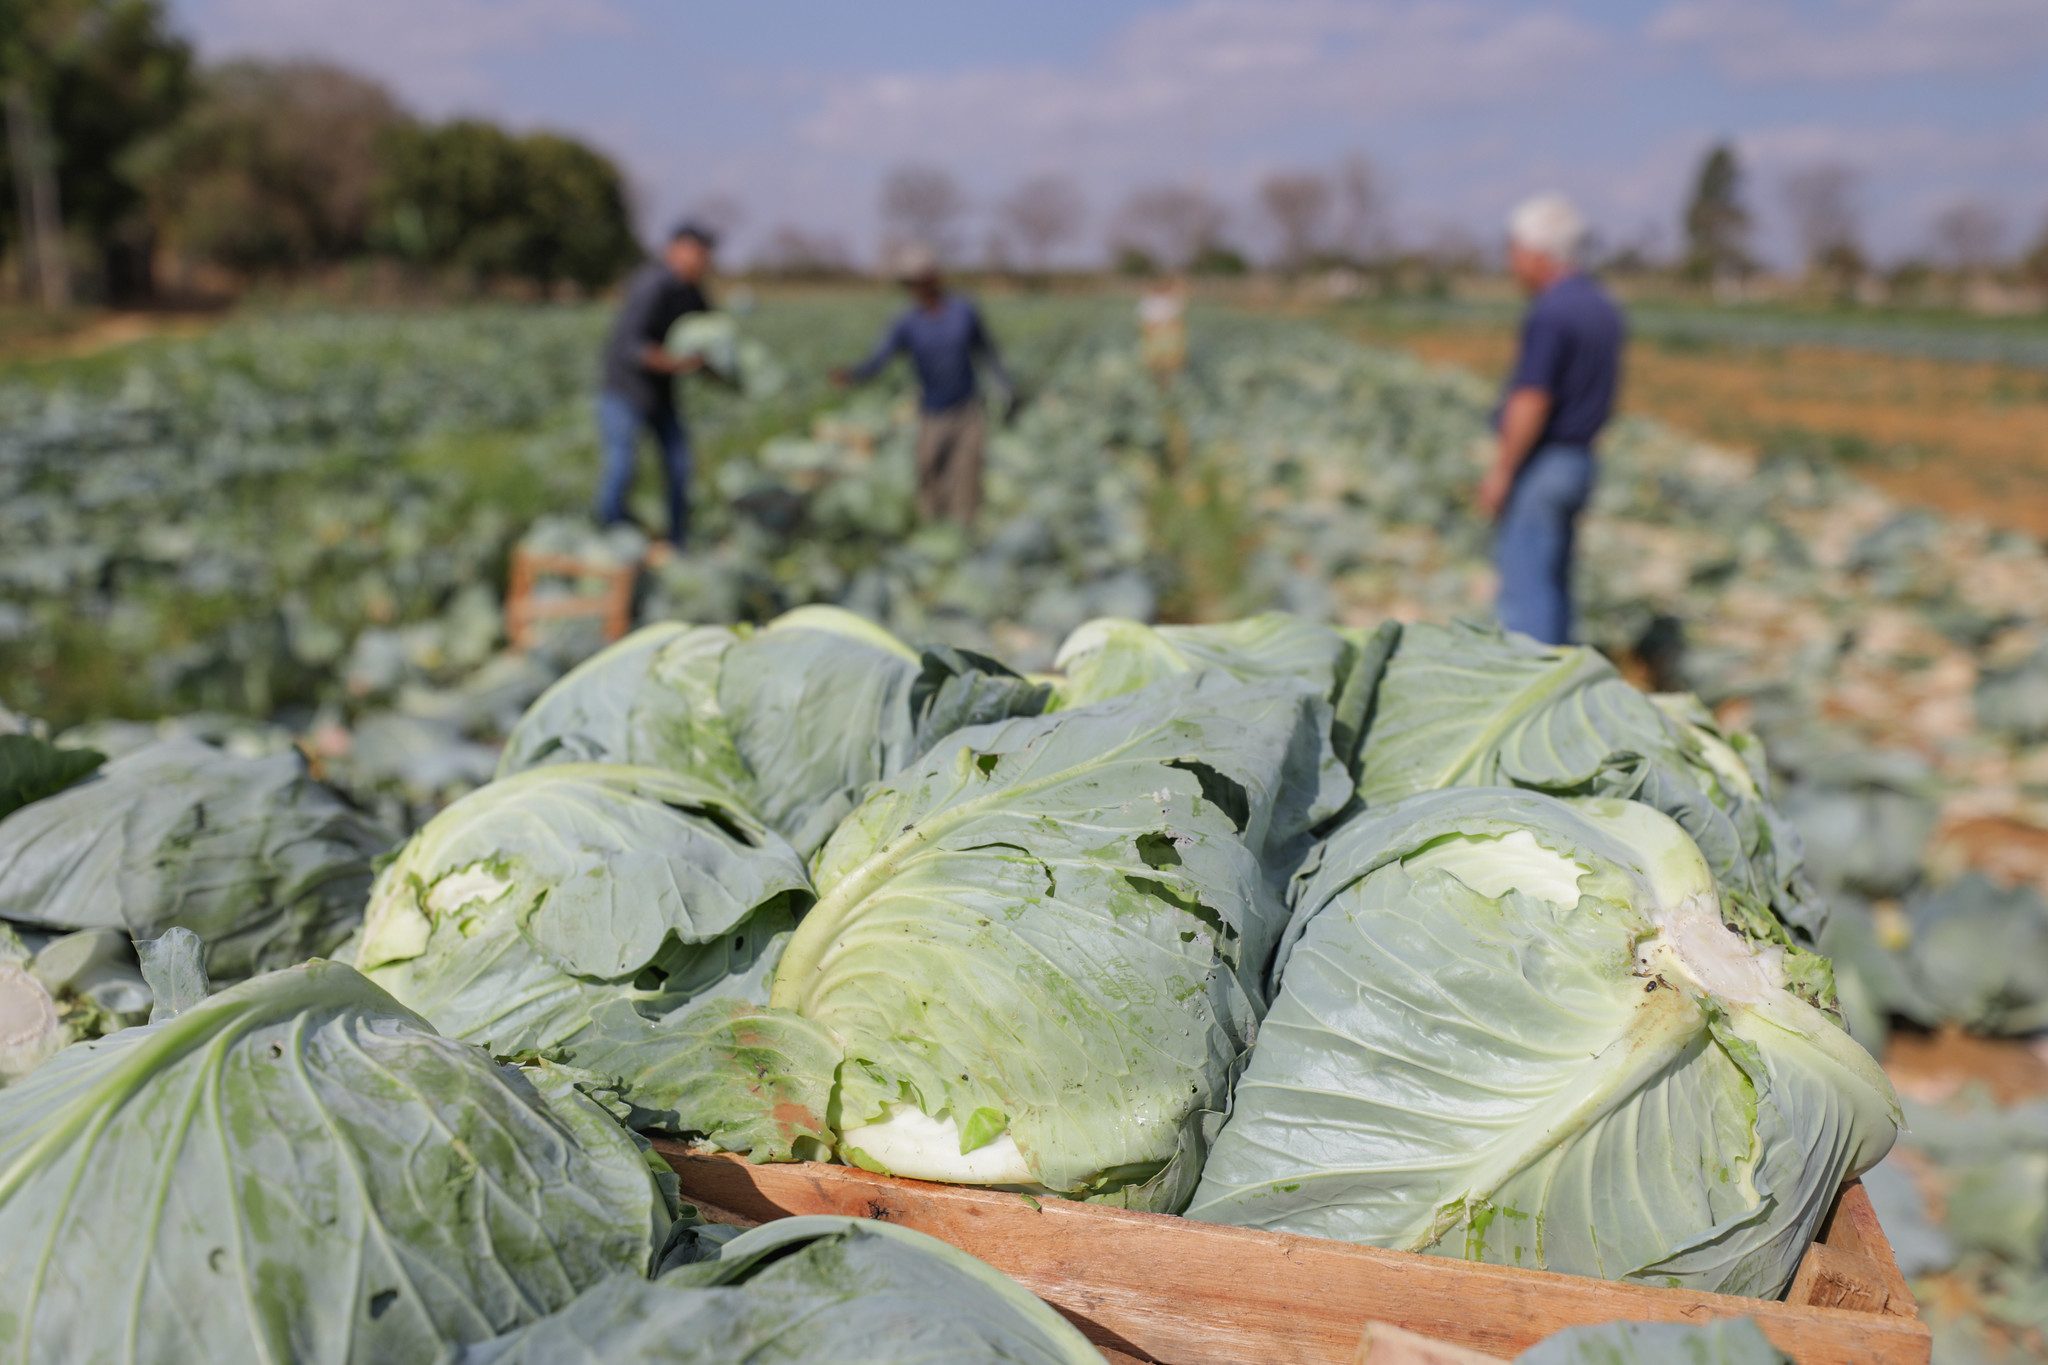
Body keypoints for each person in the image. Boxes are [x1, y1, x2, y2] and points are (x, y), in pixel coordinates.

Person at [1477, 193, 1624, 646]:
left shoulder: (1551, 311)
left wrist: (1502, 470)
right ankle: (1559, 684)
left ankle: (1530, 695)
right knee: (1555, 584)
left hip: (1544, 464)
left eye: (1516, 251)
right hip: (1581, 461)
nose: (1512, 262)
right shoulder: (1603, 306)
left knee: (1526, 593)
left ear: (1541, 254)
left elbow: (1532, 399)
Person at [832, 245, 1013, 526]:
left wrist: (1004, 385)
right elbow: (881, 358)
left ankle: (963, 533)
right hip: (931, 411)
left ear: (936, 277)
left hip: (967, 409)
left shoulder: (964, 311)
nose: (917, 287)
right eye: (911, 282)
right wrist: (854, 374)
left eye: (922, 279)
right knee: (928, 473)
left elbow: (987, 350)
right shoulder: (907, 323)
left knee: (966, 476)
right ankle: (931, 530)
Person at [596, 222, 720, 551]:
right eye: (696, 253)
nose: (701, 261)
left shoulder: (693, 294)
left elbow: (712, 338)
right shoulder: (651, 285)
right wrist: (679, 364)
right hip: (625, 391)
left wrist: (722, 372)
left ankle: (677, 542)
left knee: (680, 467)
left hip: (661, 396)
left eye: (705, 255)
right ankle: (611, 536)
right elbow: (631, 346)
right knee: (622, 466)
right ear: (674, 250)